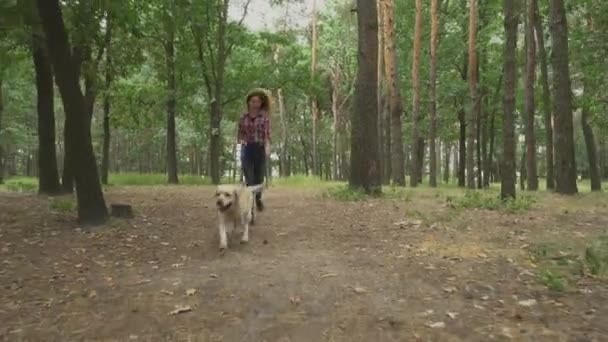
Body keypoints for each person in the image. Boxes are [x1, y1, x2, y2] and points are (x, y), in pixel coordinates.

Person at [238, 89, 271, 211]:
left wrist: (267, 147)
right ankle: (249, 204)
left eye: (257, 101)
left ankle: (258, 198)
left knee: (259, 177)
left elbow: (267, 134)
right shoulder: (243, 117)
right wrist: (241, 140)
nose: (255, 104)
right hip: (247, 148)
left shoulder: (264, 118)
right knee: (249, 178)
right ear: (248, 102)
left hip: (259, 147)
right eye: (252, 101)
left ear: (261, 103)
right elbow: (240, 133)